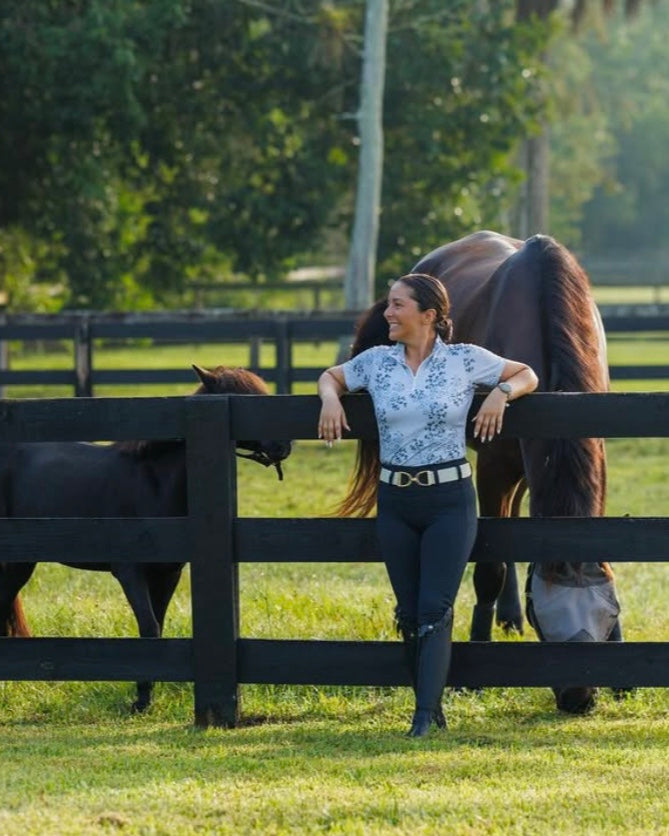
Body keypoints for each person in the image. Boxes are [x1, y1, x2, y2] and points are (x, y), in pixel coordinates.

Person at [317, 273, 538, 737]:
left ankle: (423, 716)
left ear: (429, 315)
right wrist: (329, 401)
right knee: (409, 608)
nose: (388, 314)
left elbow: (526, 374)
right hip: (395, 497)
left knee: (435, 605)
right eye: (389, 305)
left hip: (448, 500)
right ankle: (429, 705)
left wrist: (500, 394)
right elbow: (330, 376)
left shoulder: (464, 360)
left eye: (397, 306)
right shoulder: (376, 362)